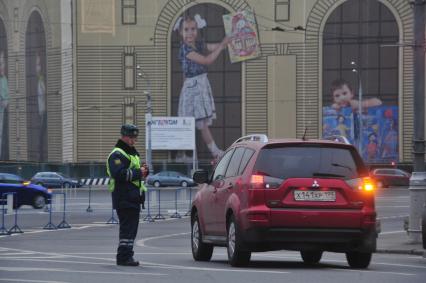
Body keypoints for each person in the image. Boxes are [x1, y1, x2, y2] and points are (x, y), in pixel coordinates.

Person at [174, 13, 230, 161]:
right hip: (193, 87)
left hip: (201, 84)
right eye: (186, 29)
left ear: (197, 30)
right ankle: (186, 153)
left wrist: (227, 42)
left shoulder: (198, 45)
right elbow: (207, 60)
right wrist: (223, 45)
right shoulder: (185, 49)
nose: (190, 32)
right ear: (180, 32)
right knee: (193, 122)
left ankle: (212, 151)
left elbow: (212, 47)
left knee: (202, 123)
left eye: (193, 29)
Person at [106, 124, 149, 266]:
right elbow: (119, 174)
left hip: (133, 197)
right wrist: (139, 172)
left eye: (135, 138)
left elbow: (134, 173)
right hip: (124, 197)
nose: (133, 140)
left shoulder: (131, 153)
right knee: (127, 230)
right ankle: (123, 257)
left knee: (131, 230)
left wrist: (143, 171)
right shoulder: (117, 154)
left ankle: (127, 255)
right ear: (123, 136)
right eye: (131, 137)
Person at [0, 50, 9, 159]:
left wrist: (5, 102)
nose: (2, 66)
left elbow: (7, 97)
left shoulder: (4, 79)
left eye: (3, 63)